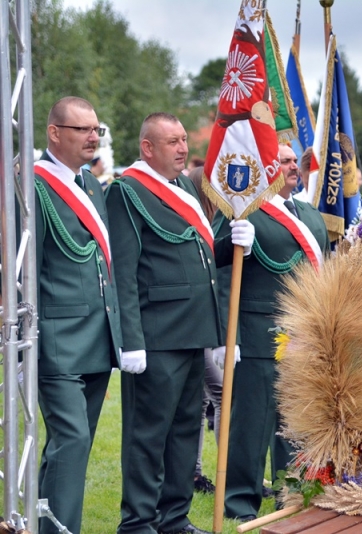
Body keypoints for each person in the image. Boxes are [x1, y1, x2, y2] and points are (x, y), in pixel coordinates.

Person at [106, 112, 254, 534]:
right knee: (148, 434)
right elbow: (124, 272)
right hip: (157, 335)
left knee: (185, 431)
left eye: (184, 140)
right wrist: (131, 340)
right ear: (147, 147)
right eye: (172, 141)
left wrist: (231, 245)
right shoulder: (127, 191)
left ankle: (174, 518)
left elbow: (199, 259)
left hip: (195, 331)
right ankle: (138, 522)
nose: (183, 148)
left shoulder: (185, 188)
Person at [214, 144, 328, 522]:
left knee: (295, 423)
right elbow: (220, 269)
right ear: (266, 168)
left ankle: (291, 498)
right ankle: (239, 503)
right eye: (284, 161)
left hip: (304, 335)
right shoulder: (244, 212)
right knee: (251, 424)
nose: (294, 166)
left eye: (295, 161)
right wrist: (229, 336)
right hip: (256, 332)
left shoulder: (311, 216)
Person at [31, 96, 122, 534]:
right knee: (72, 438)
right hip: (57, 337)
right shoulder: (33, 186)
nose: (92, 138)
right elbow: (25, 269)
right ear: (54, 133)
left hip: (96, 336)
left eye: (96, 130)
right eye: (82, 130)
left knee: (70, 446)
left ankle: (47, 525)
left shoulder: (91, 185)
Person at [187, 166, 222, 494]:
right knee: (222, 392)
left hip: (205, 325)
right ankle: (229, 471)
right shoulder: (199, 225)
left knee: (201, 400)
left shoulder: (213, 223)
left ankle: (194, 473)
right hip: (198, 326)